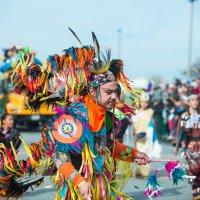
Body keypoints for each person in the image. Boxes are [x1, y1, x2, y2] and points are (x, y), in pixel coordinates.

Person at [0, 33, 150, 199]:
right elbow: (59, 156)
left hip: (99, 187)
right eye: (108, 92)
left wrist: (134, 154)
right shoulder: (71, 118)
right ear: (93, 91)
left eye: (116, 91)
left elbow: (106, 145)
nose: (114, 97)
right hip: (76, 190)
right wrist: (79, 181)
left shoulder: (104, 115)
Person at [132, 92, 161, 177]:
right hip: (137, 135)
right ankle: (138, 171)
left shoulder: (150, 111)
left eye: (146, 102)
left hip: (147, 136)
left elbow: (152, 124)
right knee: (137, 153)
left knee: (146, 152)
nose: (144, 104)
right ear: (139, 102)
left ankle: (145, 172)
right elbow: (134, 124)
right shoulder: (135, 112)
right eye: (143, 102)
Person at [176, 94, 200, 200]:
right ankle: (195, 191)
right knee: (193, 170)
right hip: (189, 145)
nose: (195, 102)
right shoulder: (185, 116)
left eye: (196, 100)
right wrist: (177, 145)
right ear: (189, 102)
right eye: (192, 100)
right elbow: (181, 131)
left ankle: (198, 191)